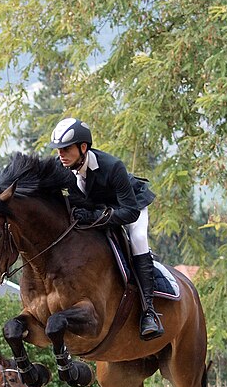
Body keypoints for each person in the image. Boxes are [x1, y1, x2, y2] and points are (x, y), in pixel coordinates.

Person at [49, 117, 164, 340]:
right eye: (58, 150)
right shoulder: (61, 168)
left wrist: (94, 217)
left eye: (66, 149)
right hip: (99, 209)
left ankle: (149, 311)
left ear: (83, 147)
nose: (61, 154)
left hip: (130, 206)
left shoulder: (112, 167)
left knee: (138, 239)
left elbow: (129, 211)